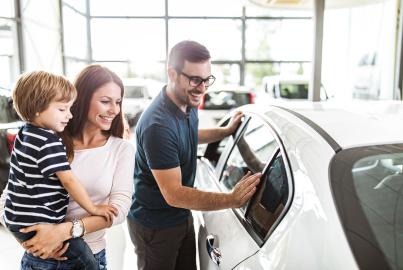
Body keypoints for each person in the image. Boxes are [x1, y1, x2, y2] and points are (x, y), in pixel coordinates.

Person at [127, 40, 261, 270]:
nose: (202, 88)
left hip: (180, 216)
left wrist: (224, 132)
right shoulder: (157, 125)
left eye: (206, 79)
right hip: (156, 226)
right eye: (195, 80)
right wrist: (232, 199)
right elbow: (175, 194)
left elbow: (187, 135)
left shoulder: (186, 102)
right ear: (172, 73)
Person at [0, 64, 135, 269]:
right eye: (105, 101)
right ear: (81, 99)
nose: (114, 110)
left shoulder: (121, 149)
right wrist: (29, 240)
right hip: (40, 256)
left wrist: (64, 232)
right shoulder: (49, 139)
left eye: (118, 102)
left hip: (88, 252)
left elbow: (119, 211)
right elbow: (10, 195)